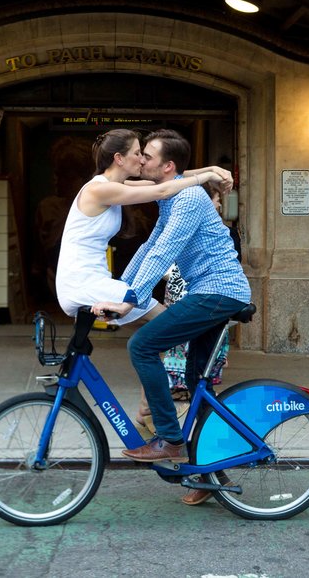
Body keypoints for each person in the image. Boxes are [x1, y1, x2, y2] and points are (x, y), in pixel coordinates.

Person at [93, 129, 251, 465]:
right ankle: (211, 472)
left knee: (142, 346)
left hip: (218, 293)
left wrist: (129, 300)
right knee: (198, 385)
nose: (141, 160)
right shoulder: (172, 197)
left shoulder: (190, 200)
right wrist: (120, 287)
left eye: (148, 156)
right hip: (211, 293)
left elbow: (163, 253)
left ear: (168, 167)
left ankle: (169, 438)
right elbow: (149, 247)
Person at [55, 129, 232, 324]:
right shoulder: (100, 189)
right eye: (137, 153)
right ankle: (197, 351)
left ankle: (191, 350)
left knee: (163, 322)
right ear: (119, 158)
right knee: (167, 320)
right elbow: (163, 190)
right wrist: (206, 177)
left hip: (89, 280)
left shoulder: (113, 185)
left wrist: (211, 170)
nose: (141, 160)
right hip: (81, 283)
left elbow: (169, 177)